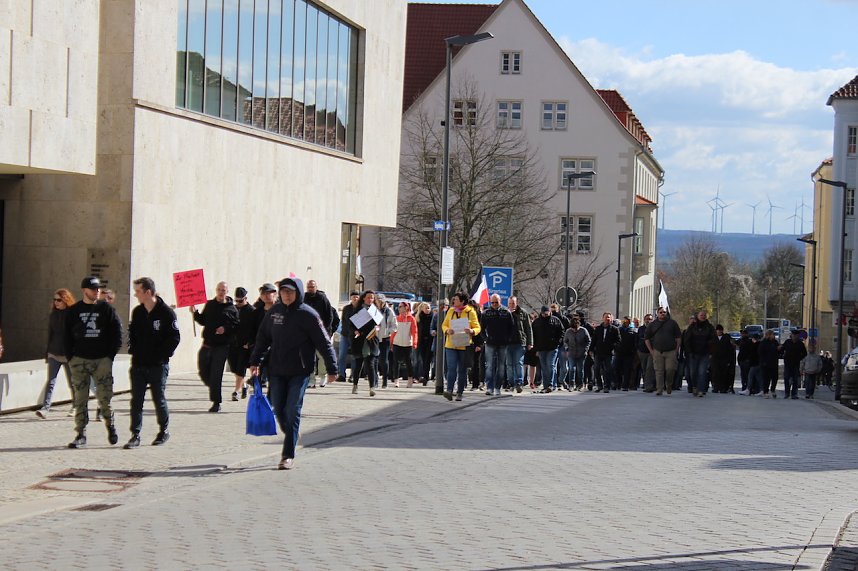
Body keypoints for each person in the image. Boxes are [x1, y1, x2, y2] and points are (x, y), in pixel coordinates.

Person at [250, 278, 337, 470]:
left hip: (300, 370)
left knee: (292, 410)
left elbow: (324, 342)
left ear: (298, 293)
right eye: (284, 292)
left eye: (290, 292)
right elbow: (263, 338)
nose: (287, 295)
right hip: (277, 370)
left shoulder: (308, 314)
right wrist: (255, 361)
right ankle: (292, 432)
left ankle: (287, 455)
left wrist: (332, 368)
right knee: (279, 410)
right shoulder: (274, 312)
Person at [64, 276, 124, 449]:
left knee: (104, 398)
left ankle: (110, 426)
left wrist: (109, 356)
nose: (97, 292)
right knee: (80, 398)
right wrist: (71, 358)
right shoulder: (74, 311)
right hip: (80, 360)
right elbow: (66, 336)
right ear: (84, 291)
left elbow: (117, 333)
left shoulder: (106, 309)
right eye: (93, 289)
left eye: (98, 289)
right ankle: (80, 433)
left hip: (101, 360)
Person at [124, 277, 181, 449]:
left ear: (148, 292)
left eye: (138, 291)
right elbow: (132, 334)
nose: (136, 295)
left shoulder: (166, 313)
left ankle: (163, 430)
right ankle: (135, 434)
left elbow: (174, 338)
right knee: (136, 400)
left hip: (158, 365)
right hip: (139, 364)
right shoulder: (138, 312)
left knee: (159, 398)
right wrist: (133, 349)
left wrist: (161, 355)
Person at [191, 281, 239, 412]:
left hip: (221, 346)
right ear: (216, 290)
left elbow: (236, 326)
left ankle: (216, 402)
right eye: (219, 289)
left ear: (227, 292)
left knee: (216, 374)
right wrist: (195, 313)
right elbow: (203, 320)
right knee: (203, 371)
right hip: (207, 343)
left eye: (223, 290)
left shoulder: (232, 309)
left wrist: (225, 329)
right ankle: (213, 386)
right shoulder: (210, 304)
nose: (221, 292)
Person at [36, 288, 76, 418]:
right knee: (51, 382)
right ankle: (45, 408)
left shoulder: (72, 314)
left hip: (68, 355)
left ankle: (76, 406)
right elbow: (50, 334)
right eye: (54, 300)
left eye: (59, 300)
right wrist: (47, 352)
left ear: (65, 300)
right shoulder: (53, 315)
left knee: (72, 382)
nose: (56, 302)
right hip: (54, 353)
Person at [441, 292, 481, 401]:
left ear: (462, 301)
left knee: (462, 370)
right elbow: (444, 325)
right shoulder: (450, 311)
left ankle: (460, 392)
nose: (454, 301)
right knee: (451, 368)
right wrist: (447, 330)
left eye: (456, 300)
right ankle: (449, 390)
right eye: (454, 300)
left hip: (464, 345)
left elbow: (477, 327)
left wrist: (472, 331)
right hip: (451, 344)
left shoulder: (470, 312)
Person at [304, 280, 338, 388]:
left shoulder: (322, 298)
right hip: (307, 332)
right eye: (309, 287)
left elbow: (330, 315)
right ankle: (311, 379)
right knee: (309, 356)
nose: (310, 289)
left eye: (312, 287)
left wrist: (327, 330)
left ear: (316, 287)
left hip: (321, 331)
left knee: (322, 355)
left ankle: (322, 376)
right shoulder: (303, 298)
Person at [481, 294, 515, 396]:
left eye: (497, 302)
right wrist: (485, 339)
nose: (495, 304)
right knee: (489, 366)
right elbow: (481, 328)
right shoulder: (486, 313)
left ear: (500, 301)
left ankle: (497, 387)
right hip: (490, 343)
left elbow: (512, 327)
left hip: (503, 343)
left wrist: (508, 339)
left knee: (501, 366)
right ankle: (489, 387)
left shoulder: (506, 312)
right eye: (493, 302)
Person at [643, 307, 682, 396]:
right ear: (657, 313)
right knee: (659, 371)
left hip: (671, 351)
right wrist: (651, 351)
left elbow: (678, 337)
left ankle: (669, 384)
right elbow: (646, 338)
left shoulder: (672, 323)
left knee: (670, 369)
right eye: (660, 312)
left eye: (664, 312)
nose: (662, 314)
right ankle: (659, 389)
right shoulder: (653, 324)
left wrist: (677, 349)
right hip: (657, 351)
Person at [350, 290, 381, 396]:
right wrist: (355, 330)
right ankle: (355, 385)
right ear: (364, 298)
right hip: (360, 340)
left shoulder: (375, 310)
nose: (370, 299)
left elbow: (379, 324)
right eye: (368, 297)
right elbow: (351, 324)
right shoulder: (358, 309)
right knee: (358, 365)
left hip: (371, 340)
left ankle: (372, 387)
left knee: (371, 365)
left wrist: (377, 329)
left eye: (372, 298)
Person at [228, 287, 256, 400]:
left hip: (244, 345)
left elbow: (255, 329)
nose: (238, 303)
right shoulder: (232, 309)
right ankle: (244, 386)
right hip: (232, 344)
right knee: (234, 368)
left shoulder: (252, 311)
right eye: (237, 301)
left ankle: (236, 392)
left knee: (240, 368)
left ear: (246, 298)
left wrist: (249, 342)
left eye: (240, 301)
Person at [532, 306, 565, 393]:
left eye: (547, 313)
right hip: (541, 348)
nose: (545, 315)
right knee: (544, 367)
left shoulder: (555, 320)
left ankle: (550, 384)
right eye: (544, 314)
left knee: (550, 365)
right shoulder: (537, 322)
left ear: (550, 312)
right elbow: (533, 335)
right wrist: (535, 348)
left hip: (552, 348)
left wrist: (558, 342)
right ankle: (546, 385)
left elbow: (562, 331)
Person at [685, 310, 716, 397]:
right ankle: (694, 386)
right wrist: (689, 352)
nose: (703, 316)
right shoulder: (692, 327)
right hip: (693, 353)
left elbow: (714, 339)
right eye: (701, 315)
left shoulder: (709, 327)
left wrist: (710, 349)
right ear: (697, 316)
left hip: (704, 353)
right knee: (693, 372)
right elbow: (687, 340)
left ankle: (701, 390)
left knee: (702, 372)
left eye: (704, 315)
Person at [390, 301, 418, 387]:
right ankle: (396, 380)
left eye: (401, 306)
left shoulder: (411, 318)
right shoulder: (397, 318)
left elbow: (414, 332)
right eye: (399, 307)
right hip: (397, 343)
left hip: (407, 343)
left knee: (408, 362)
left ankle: (410, 379)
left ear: (406, 307)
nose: (399, 308)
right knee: (396, 362)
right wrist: (391, 342)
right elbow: (394, 331)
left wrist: (414, 342)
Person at [591, 312, 620, 393]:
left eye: (609, 317)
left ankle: (606, 386)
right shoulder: (598, 328)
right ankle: (599, 385)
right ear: (603, 318)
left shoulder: (614, 329)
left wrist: (613, 347)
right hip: (598, 352)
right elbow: (594, 340)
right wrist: (591, 349)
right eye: (606, 317)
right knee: (596, 369)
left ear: (611, 319)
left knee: (608, 370)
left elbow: (618, 341)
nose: (607, 319)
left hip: (608, 353)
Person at [338, 291, 361, 383]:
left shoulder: (361, 309)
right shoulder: (346, 308)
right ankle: (342, 374)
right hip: (345, 334)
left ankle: (353, 375)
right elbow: (344, 321)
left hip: (355, 336)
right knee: (342, 355)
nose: (355, 299)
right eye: (353, 297)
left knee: (354, 356)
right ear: (351, 298)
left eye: (356, 297)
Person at [374, 294, 397, 388]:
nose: (379, 302)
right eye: (377, 300)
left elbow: (395, 326)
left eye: (381, 301)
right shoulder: (373, 310)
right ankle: (375, 381)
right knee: (374, 360)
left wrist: (387, 331)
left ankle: (384, 381)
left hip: (385, 338)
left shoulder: (389, 311)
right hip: (374, 338)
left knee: (384, 360)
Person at [564, 317, 591, 391]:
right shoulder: (568, 331)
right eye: (573, 329)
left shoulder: (583, 330)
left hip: (581, 353)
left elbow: (588, 340)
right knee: (571, 369)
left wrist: (586, 350)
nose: (574, 330)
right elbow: (565, 341)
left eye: (576, 329)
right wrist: (567, 349)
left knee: (580, 369)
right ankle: (571, 384)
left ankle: (580, 384)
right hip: (571, 352)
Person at [780, 330, 807, 400]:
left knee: (795, 379)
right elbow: (782, 349)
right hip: (788, 363)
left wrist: (799, 358)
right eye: (793, 335)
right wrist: (783, 355)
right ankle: (787, 393)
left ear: (798, 336)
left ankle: (794, 394)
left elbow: (804, 353)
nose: (794, 337)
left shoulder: (800, 344)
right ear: (791, 335)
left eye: (796, 335)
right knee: (786, 378)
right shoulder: (787, 342)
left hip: (795, 363)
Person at [710, 324, 736, 393]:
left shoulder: (726, 338)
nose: (718, 332)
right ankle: (715, 387)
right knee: (715, 373)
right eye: (717, 330)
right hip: (715, 359)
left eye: (719, 330)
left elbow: (730, 349)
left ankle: (723, 388)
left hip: (724, 359)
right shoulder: (713, 338)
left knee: (723, 374)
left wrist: (729, 360)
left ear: (721, 331)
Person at [636, 313, 655, 392]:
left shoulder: (655, 329)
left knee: (649, 369)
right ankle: (646, 384)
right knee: (644, 369)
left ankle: (649, 386)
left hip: (651, 352)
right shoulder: (641, 329)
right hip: (642, 352)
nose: (648, 321)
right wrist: (638, 349)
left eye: (650, 319)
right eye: (647, 319)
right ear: (644, 320)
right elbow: (637, 339)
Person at [415, 302, 433, 385]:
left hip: (430, 340)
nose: (428, 309)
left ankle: (425, 376)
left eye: (429, 308)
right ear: (422, 309)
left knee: (427, 359)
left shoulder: (433, 317)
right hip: (421, 341)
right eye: (426, 308)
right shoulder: (418, 317)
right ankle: (420, 376)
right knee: (421, 359)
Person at [758, 329, 780, 398]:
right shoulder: (763, 342)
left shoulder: (775, 342)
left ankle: (773, 389)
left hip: (774, 363)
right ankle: (765, 391)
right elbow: (760, 352)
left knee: (775, 378)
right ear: (768, 335)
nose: (774, 336)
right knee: (766, 378)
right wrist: (763, 362)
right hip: (765, 363)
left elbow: (778, 351)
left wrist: (779, 349)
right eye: (772, 334)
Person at [736, 329, 755, 393]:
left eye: (743, 333)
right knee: (743, 375)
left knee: (747, 375)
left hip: (746, 360)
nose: (742, 335)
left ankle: (748, 388)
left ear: (747, 334)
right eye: (742, 333)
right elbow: (734, 342)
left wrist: (749, 359)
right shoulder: (741, 340)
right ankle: (744, 387)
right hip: (741, 360)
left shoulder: (749, 341)